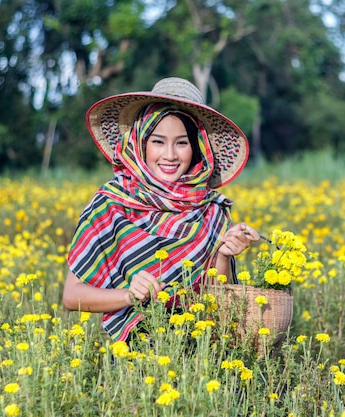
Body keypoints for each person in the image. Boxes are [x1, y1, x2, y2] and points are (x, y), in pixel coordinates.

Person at [62, 77, 260, 343]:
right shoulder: (110, 204)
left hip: (200, 354)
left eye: (182, 143)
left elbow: (219, 304)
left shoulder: (212, 210)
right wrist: (128, 296)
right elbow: (71, 296)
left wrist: (223, 255)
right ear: (141, 142)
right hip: (133, 360)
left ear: (198, 148)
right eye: (158, 141)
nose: (170, 155)